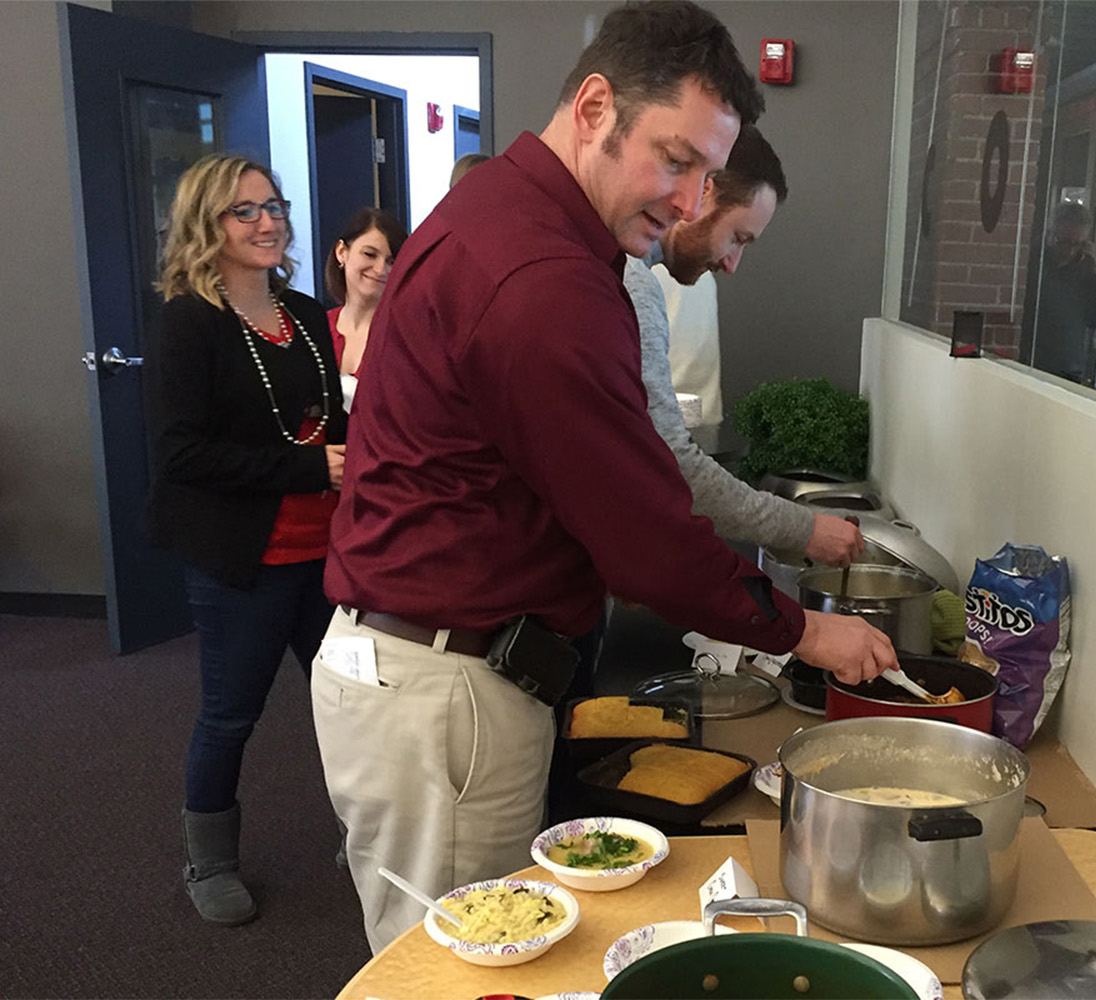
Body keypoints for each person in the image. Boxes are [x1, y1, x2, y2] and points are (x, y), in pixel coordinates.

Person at [312, 0, 896, 952]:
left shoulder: (508, 213)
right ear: (593, 109)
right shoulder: (540, 277)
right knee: (468, 975)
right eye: (675, 160)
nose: (689, 199)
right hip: (445, 687)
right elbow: (646, 535)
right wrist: (803, 629)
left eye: (707, 172)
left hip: (428, 671)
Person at [143, 154, 346, 926]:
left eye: (274, 206)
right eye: (245, 212)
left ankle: (362, 834)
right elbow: (180, 454)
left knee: (347, 708)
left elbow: (333, 422)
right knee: (231, 714)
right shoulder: (187, 321)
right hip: (246, 559)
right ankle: (210, 859)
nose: (269, 223)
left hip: (328, 552)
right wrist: (306, 467)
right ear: (207, 224)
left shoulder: (301, 313)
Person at [624, 123, 863, 564]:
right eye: (737, 237)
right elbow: (670, 462)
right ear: (705, 194)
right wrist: (805, 530)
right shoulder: (632, 281)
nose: (732, 264)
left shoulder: (626, 269)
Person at [323, 207, 407, 411]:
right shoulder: (314, 326)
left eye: (391, 261)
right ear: (342, 252)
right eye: (370, 254)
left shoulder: (405, 336)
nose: (381, 269)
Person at [1031, 201, 1096, 385]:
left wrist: (1095, 274)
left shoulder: (1085, 270)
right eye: (1063, 242)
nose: (1070, 251)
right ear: (1051, 234)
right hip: (1033, 360)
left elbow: (1094, 319)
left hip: (1070, 367)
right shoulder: (1032, 262)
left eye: (1077, 244)